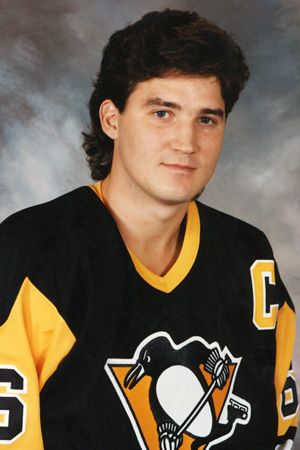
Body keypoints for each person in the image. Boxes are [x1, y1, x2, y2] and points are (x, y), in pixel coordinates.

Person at [0, 9, 298, 450]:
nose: (186, 142)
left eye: (206, 119)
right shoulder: (34, 255)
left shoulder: (249, 259)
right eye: (162, 113)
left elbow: (279, 434)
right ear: (112, 119)